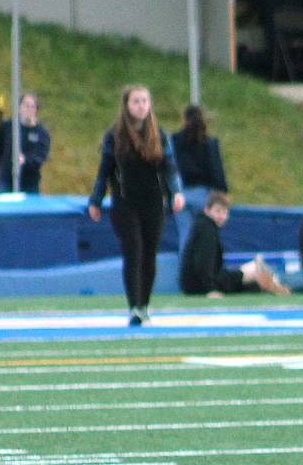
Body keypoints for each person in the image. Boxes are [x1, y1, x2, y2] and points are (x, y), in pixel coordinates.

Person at [88, 85, 185, 327]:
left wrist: (176, 192)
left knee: (149, 253)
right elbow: (105, 171)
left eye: (144, 101)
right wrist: (96, 200)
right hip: (125, 202)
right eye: (136, 101)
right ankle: (134, 306)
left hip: (153, 201)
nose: (141, 106)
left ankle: (144, 304)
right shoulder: (115, 136)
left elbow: (170, 167)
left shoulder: (159, 135)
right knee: (134, 249)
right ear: (127, 106)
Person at [179, 191, 289, 297]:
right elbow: (203, 264)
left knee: (253, 283)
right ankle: (278, 283)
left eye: (225, 212)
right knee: (255, 269)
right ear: (207, 210)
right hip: (200, 286)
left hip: (199, 283)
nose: (221, 216)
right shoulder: (207, 230)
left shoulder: (204, 226)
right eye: (218, 211)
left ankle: (272, 282)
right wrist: (210, 290)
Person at [171, 104, 229, 256]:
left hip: (181, 195)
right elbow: (216, 170)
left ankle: (184, 276)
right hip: (204, 195)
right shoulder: (209, 143)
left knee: (185, 235)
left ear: (184, 119)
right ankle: (206, 274)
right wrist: (223, 193)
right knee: (207, 235)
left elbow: (169, 167)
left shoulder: (174, 140)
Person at [0, 93, 51, 193]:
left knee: (32, 208)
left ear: (36, 110)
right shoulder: (7, 127)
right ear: (19, 108)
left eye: (32, 106)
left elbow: (41, 156)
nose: (29, 109)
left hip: (30, 183)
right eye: (26, 105)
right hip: (6, 181)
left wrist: (25, 160)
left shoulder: (41, 132)